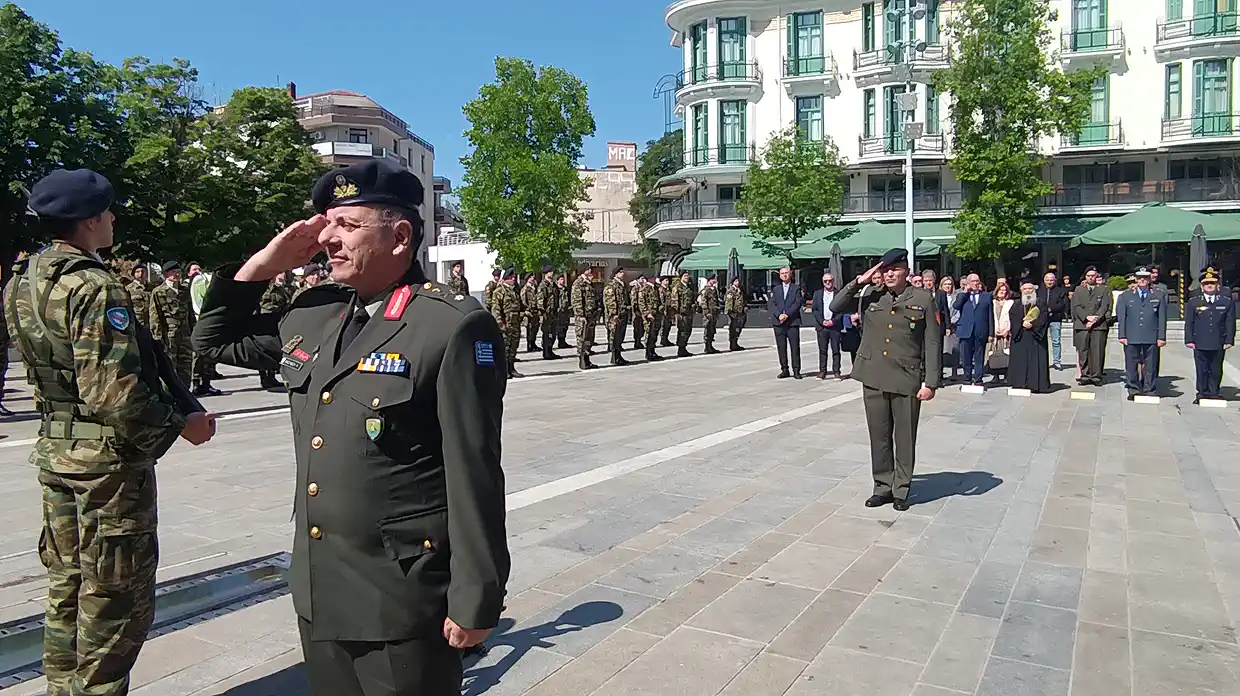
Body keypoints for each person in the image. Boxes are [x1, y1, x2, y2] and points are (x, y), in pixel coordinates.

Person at [190, 160, 509, 696]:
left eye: (348, 226)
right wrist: (264, 264)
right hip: (321, 587)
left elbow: (473, 468)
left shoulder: (448, 325)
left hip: (400, 594)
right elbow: (213, 341)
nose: (330, 240)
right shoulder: (315, 316)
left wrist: (476, 596)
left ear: (400, 235)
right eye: (325, 227)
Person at [7, 168, 215, 696]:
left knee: (68, 586)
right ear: (91, 219)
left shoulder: (23, 282)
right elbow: (111, 391)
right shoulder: (94, 286)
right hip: (104, 465)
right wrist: (179, 426)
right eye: (109, 211)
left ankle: (62, 689)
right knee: (115, 596)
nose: (115, 219)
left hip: (56, 450)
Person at [830, 249, 940, 511]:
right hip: (874, 375)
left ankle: (901, 488)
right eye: (885, 270)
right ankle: (882, 486)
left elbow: (932, 341)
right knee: (878, 436)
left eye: (895, 270)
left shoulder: (923, 299)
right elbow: (835, 307)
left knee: (904, 436)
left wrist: (931, 382)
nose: (889, 274)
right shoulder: (870, 295)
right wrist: (859, 281)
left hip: (906, 377)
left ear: (906, 271)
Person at [1185, 267, 1236, 402]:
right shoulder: (1194, 302)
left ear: (1217, 286)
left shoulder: (1226, 301)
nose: (1209, 286)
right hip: (1200, 340)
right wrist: (1189, 339)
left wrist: (1229, 339)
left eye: (1212, 283)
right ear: (1202, 287)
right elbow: (1189, 322)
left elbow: (1230, 322)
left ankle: (1214, 392)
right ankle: (1202, 392)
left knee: (1216, 368)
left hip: (1218, 340)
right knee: (1201, 368)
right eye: (1206, 284)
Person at [1117, 266, 1168, 397]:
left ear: (1149, 279)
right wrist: (1122, 335)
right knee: (1131, 363)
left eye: (1145, 277)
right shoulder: (1125, 296)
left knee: (1150, 365)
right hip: (1132, 335)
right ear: (1136, 279)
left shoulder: (1158, 295)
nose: (1142, 280)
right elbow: (1122, 317)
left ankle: (1149, 389)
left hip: (1151, 335)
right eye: (1139, 278)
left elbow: (1162, 318)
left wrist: (1161, 336)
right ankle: (1133, 388)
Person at [148, 261, 194, 387]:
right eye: (173, 272)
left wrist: (193, 332)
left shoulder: (184, 291)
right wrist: (158, 339)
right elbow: (155, 317)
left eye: (178, 272)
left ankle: (186, 394)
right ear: (166, 274)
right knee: (170, 366)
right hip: (168, 336)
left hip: (184, 335)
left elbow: (190, 314)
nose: (177, 275)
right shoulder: (158, 292)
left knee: (185, 365)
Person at [1071, 266, 1112, 386]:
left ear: (1097, 276)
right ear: (1085, 277)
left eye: (1093, 276)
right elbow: (1076, 306)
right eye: (1089, 276)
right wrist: (1085, 318)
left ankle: (1096, 376)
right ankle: (1085, 375)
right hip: (1082, 325)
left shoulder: (1103, 290)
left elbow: (1105, 306)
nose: (1091, 278)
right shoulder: (1078, 290)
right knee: (1083, 350)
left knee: (1097, 350)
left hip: (1098, 325)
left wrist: (1095, 319)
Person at [1008, 277, 1051, 392]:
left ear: (1034, 290)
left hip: (1035, 337)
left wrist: (1033, 325)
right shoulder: (1016, 304)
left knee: (1036, 361)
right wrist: (1021, 324)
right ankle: (1019, 383)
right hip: (1021, 336)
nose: (1028, 291)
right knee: (1020, 360)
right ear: (1021, 290)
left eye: (1030, 289)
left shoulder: (1040, 303)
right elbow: (1012, 317)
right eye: (1025, 289)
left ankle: (1036, 384)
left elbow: (1044, 318)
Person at [952, 272, 993, 387]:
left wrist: (991, 333)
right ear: (968, 283)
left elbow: (990, 315)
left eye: (977, 281)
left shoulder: (986, 296)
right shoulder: (962, 296)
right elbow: (956, 306)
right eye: (973, 281)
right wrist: (965, 292)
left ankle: (978, 379)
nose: (975, 283)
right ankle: (967, 378)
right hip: (966, 330)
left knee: (979, 356)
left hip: (981, 330)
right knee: (966, 356)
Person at [767, 266, 804, 379]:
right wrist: (779, 315)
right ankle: (784, 369)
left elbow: (797, 303)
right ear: (779, 275)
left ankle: (796, 370)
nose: (784, 275)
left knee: (795, 347)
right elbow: (772, 304)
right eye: (782, 273)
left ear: (790, 274)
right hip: (779, 323)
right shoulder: (776, 289)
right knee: (781, 347)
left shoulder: (796, 288)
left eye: (786, 273)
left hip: (792, 322)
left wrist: (787, 314)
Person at [491, 269, 523, 378]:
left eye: (514, 277)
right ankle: (504, 370)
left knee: (514, 347)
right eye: (511, 277)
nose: (513, 279)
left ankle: (511, 367)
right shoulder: (499, 291)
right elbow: (496, 309)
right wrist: (500, 323)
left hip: (515, 324)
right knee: (505, 348)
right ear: (505, 279)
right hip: (506, 325)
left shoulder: (514, 291)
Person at [811, 271, 843, 380]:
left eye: (830, 281)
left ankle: (837, 371)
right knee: (822, 350)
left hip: (834, 326)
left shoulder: (839, 294)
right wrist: (822, 321)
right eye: (826, 281)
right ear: (822, 282)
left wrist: (833, 321)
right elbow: (814, 309)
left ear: (833, 281)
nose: (828, 283)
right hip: (822, 326)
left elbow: (842, 310)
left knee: (836, 350)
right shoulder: (817, 294)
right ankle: (822, 371)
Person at [1038, 271, 1069, 370]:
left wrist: (1051, 309)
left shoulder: (1060, 291)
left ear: (1055, 281)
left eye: (1051, 280)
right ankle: (1042, 360)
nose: (1049, 282)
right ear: (1044, 280)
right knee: (1041, 340)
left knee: (1056, 341)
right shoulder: (1039, 291)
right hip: (1042, 319)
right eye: (1047, 280)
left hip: (1055, 319)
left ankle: (1057, 361)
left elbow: (1062, 304)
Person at [571, 266, 599, 369]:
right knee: (582, 338)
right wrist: (580, 315)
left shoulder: (589, 283)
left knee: (589, 339)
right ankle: (582, 361)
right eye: (588, 269)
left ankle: (587, 360)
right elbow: (577, 301)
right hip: (583, 317)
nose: (590, 271)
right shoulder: (579, 283)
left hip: (590, 316)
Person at [602, 267, 631, 366]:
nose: (623, 273)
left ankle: (618, 355)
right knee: (614, 336)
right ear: (615, 274)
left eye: (623, 272)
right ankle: (615, 357)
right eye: (620, 272)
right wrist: (614, 314)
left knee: (620, 336)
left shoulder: (622, 285)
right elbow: (610, 301)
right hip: (615, 316)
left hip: (623, 314)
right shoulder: (611, 285)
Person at [534, 265, 560, 360]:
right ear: (545, 273)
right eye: (550, 271)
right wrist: (543, 314)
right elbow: (540, 301)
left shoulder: (553, 285)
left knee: (552, 334)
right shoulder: (542, 286)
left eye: (552, 271)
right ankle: (546, 352)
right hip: (546, 314)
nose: (552, 273)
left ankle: (550, 350)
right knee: (546, 334)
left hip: (553, 313)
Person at [699, 274, 721, 354]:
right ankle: (707, 346)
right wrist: (707, 312)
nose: (714, 281)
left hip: (714, 313)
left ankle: (710, 345)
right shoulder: (706, 290)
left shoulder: (714, 289)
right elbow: (703, 302)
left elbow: (716, 301)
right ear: (709, 280)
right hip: (708, 313)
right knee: (708, 329)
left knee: (712, 330)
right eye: (713, 279)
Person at [724, 276, 746, 351]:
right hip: (733, 313)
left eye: (738, 281)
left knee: (738, 328)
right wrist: (730, 312)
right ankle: (732, 344)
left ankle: (735, 342)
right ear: (732, 282)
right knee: (733, 329)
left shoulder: (740, 291)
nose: (737, 282)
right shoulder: (730, 291)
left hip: (740, 313)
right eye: (736, 281)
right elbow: (729, 302)